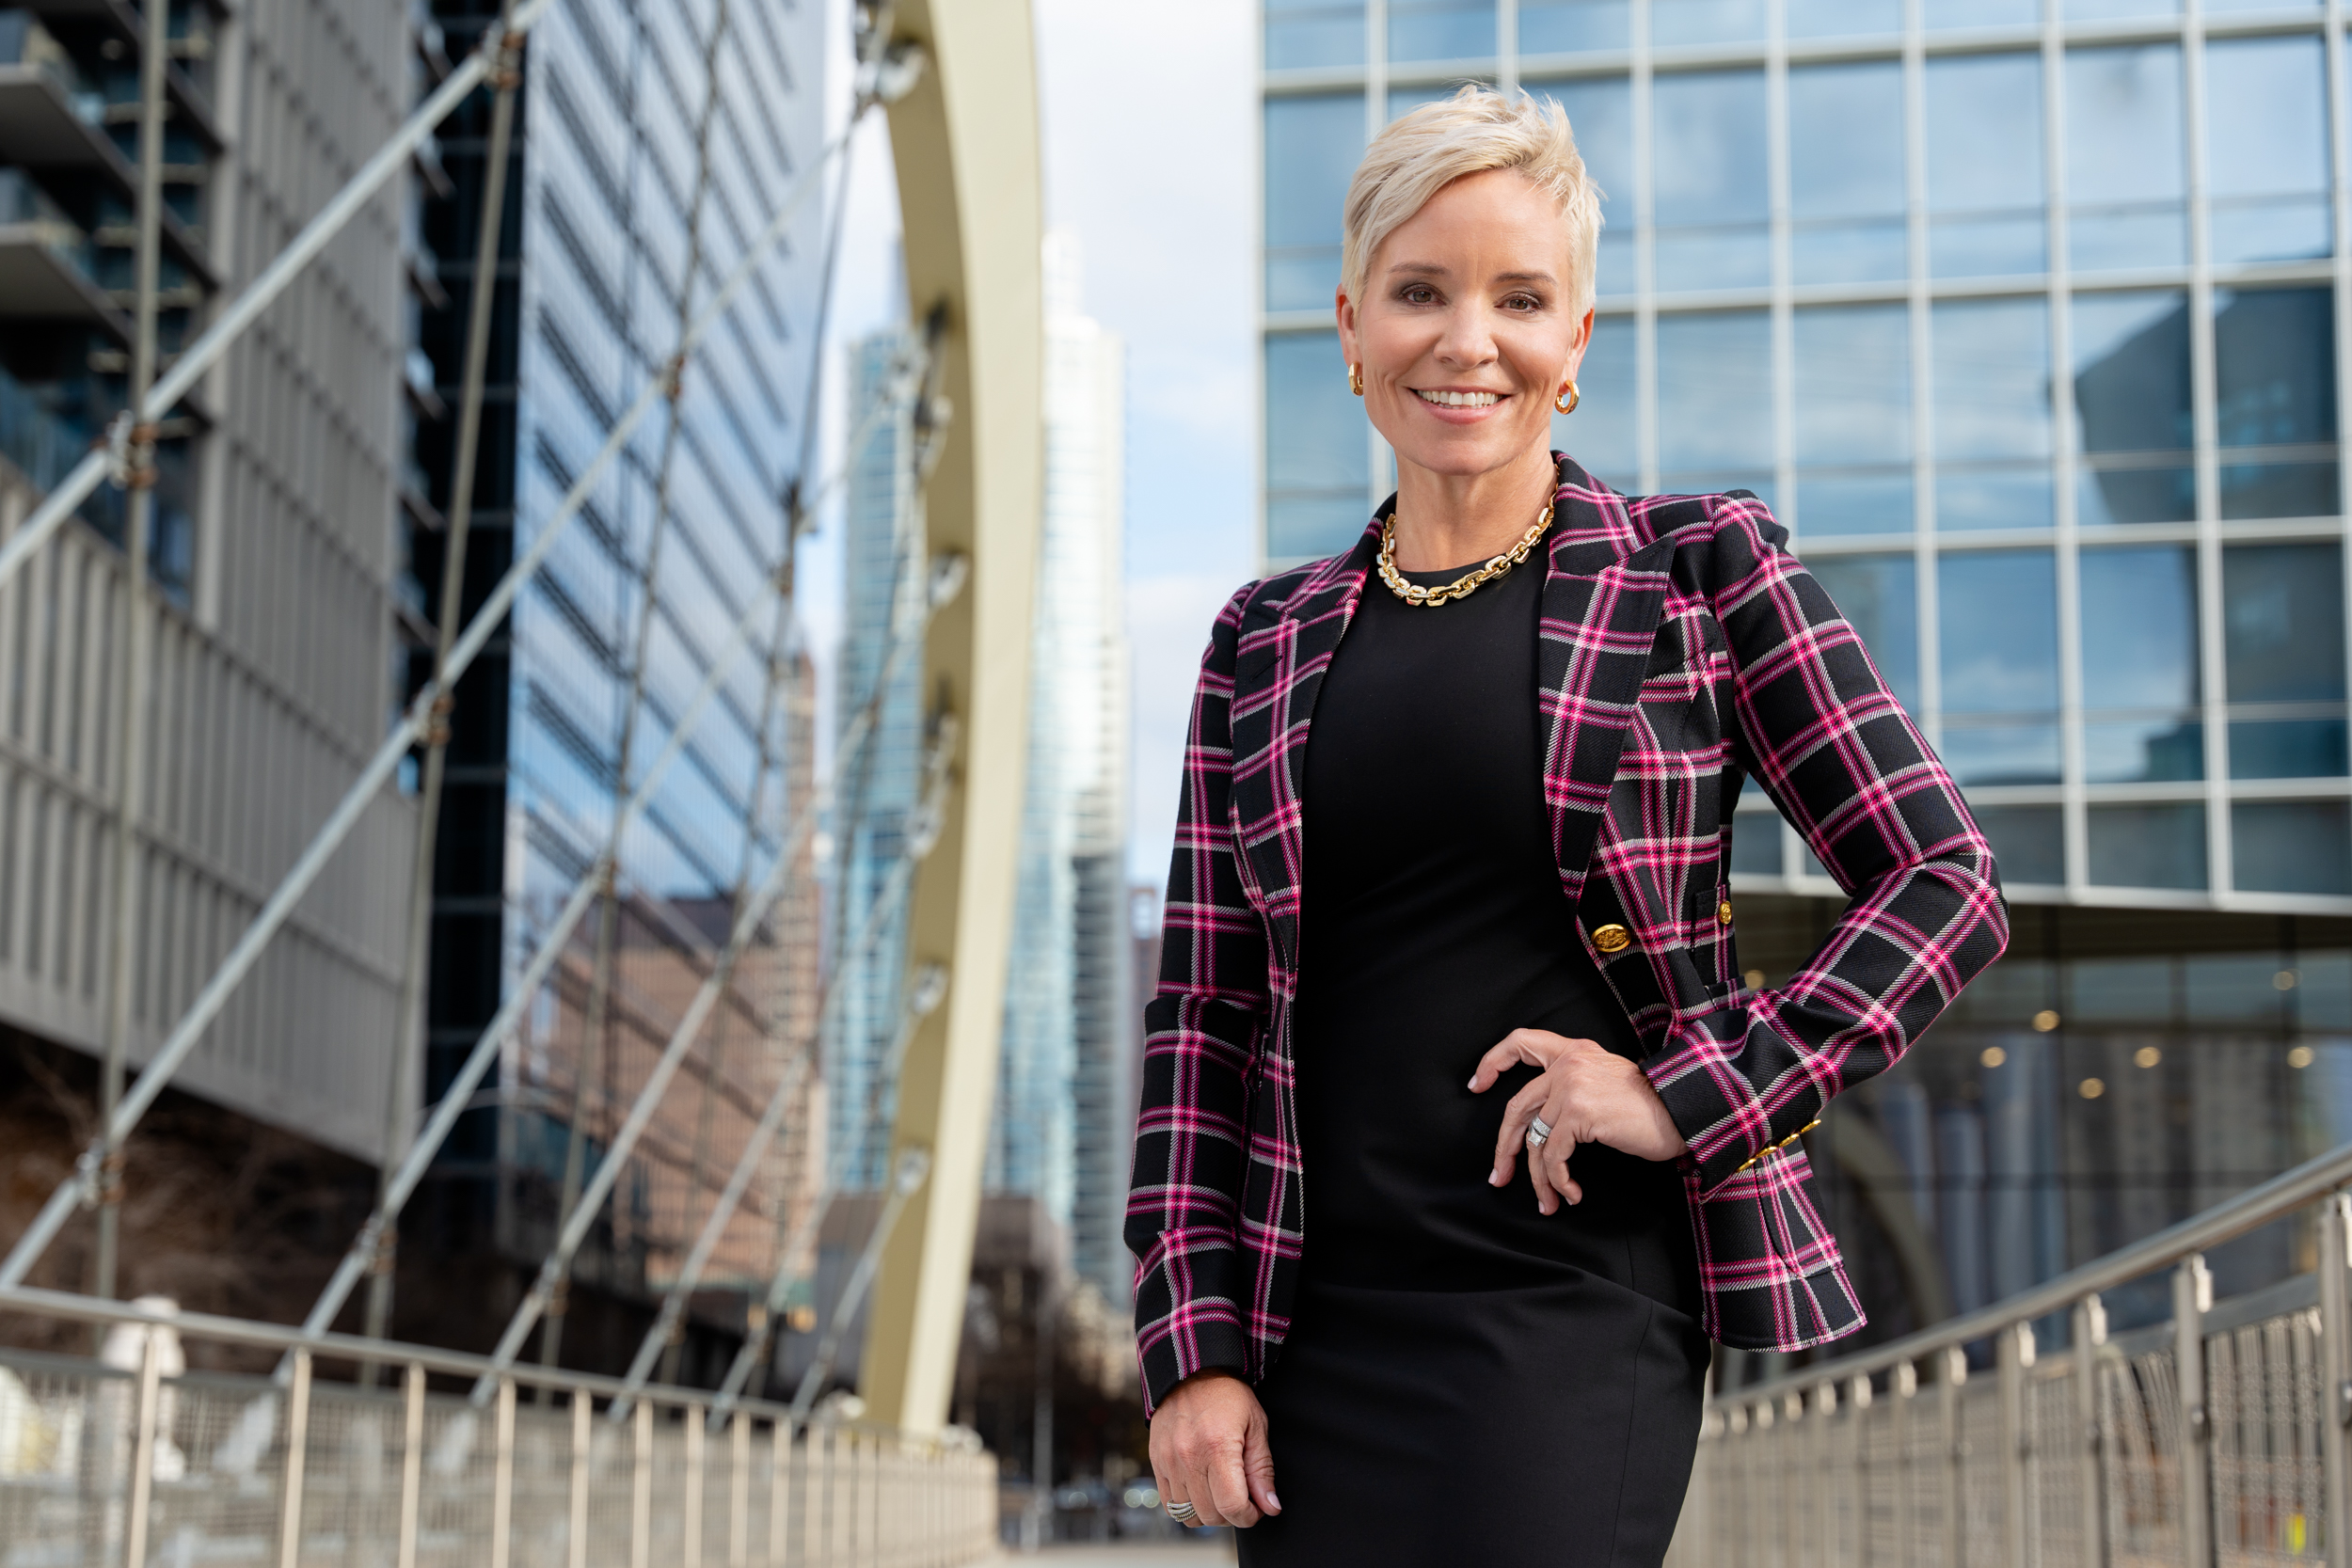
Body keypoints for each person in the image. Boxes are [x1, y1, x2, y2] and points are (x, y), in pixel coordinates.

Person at [1124, 86, 2009, 1564]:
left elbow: (1945, 880)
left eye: (1519, 299)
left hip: (1571, 1305)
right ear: (1351, 328)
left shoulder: (1702, 575)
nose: (1467, 340)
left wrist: (1690, 1092)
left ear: (1576, 340)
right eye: (1421, 292)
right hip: (1309, 1333)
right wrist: (1192, 1345)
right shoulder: (1259, 643)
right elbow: (1202, 1017)